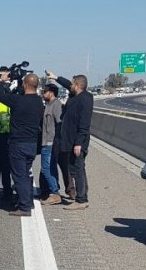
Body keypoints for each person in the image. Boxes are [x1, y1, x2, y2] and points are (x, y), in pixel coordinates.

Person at [0, 71, 44, 217]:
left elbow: (0, 95)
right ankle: (27, 201)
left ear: (25, 84)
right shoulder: (39, 102)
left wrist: (3, 82)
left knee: (19, 175)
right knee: (26, 174)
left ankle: (24, 206)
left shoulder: (19, 100)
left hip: (18, 143)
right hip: (32, 143)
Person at [46, 71, 93, 210]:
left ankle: (81, 200)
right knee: (77, 168)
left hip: (78, 142)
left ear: (78, 85)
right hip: (70, 140)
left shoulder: (85, 99)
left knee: (77, 169)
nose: (70, 85)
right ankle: (82, 195)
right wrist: (56, 77)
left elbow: (84, 124)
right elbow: (67, 85)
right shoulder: (75, 95)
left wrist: (79, 143)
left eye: (73, 83)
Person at [40, 84, 64, 205]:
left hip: (51, 142)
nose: (43, 94)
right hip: (45, 141)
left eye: (45, 92)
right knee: (50, 168)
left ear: (51, 93)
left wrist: (57, 142)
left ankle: (55, 193)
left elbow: (60, 124)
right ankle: (54, 191)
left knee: (46, 168)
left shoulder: (56, 105)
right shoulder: (47, 105)